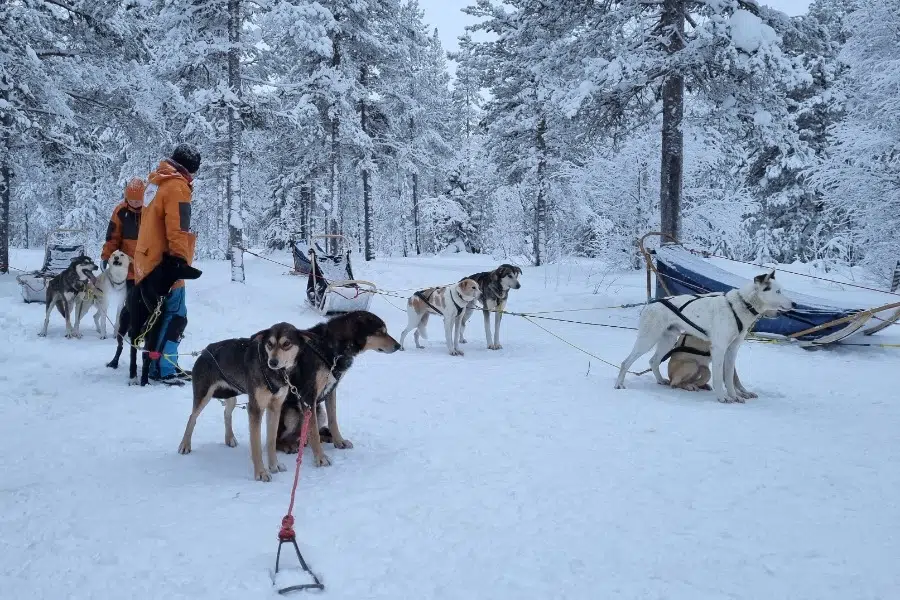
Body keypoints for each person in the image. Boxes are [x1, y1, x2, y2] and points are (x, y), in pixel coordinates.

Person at [133, 143, 201, 386]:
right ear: (190, 168)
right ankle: (164, 368)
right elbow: (178, 229)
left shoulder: (156, 182)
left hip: (147, 260)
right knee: (175, 316)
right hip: (165, 263)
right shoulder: (177, 186)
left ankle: (156, 365)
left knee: (158, 316)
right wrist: (180, 262)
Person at [101, 177, 145, 288]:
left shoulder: (150, 211)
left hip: (148, 268)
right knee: (129, 296)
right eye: (131, 200)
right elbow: (112, 238)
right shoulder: (121, 211)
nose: (134, 204)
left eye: (137, 201)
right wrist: (106, 256)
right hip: (127, 267)